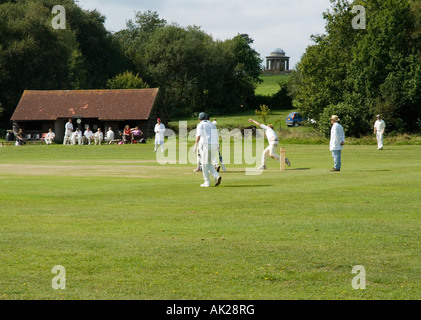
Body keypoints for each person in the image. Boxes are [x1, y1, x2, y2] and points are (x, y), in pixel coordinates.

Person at [193, 112, 222, 187]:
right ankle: (216, 176)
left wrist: (195, 145)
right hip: (214, 145)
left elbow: (198, 135)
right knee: (208, 163)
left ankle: (207, 182)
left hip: (205, 145)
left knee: (204, 164)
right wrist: (218, 144)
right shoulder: (212, 124)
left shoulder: (200, 124)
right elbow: (216, 135)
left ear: (200, 119)